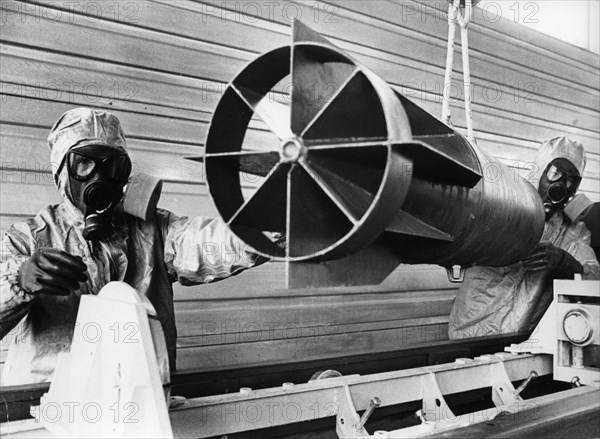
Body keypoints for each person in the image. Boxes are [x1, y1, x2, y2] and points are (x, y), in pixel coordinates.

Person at [0, 108, 266, 385]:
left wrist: (282, 218)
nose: (98, 177)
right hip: (50, 405)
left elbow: (218, 241)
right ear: (63, 172)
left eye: (112, 165)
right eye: (83, 164)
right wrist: (18, 281)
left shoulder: (156, 229)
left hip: (140, 402)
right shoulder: (29, 238)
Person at [449, 136, 599, 339]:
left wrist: (564, 262)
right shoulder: (505, 202)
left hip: (519, 340)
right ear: (539, 171)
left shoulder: (574, 233)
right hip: (471, 327)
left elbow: (593, 279)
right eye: (555, 174)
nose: (561, 186)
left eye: (570, 180)